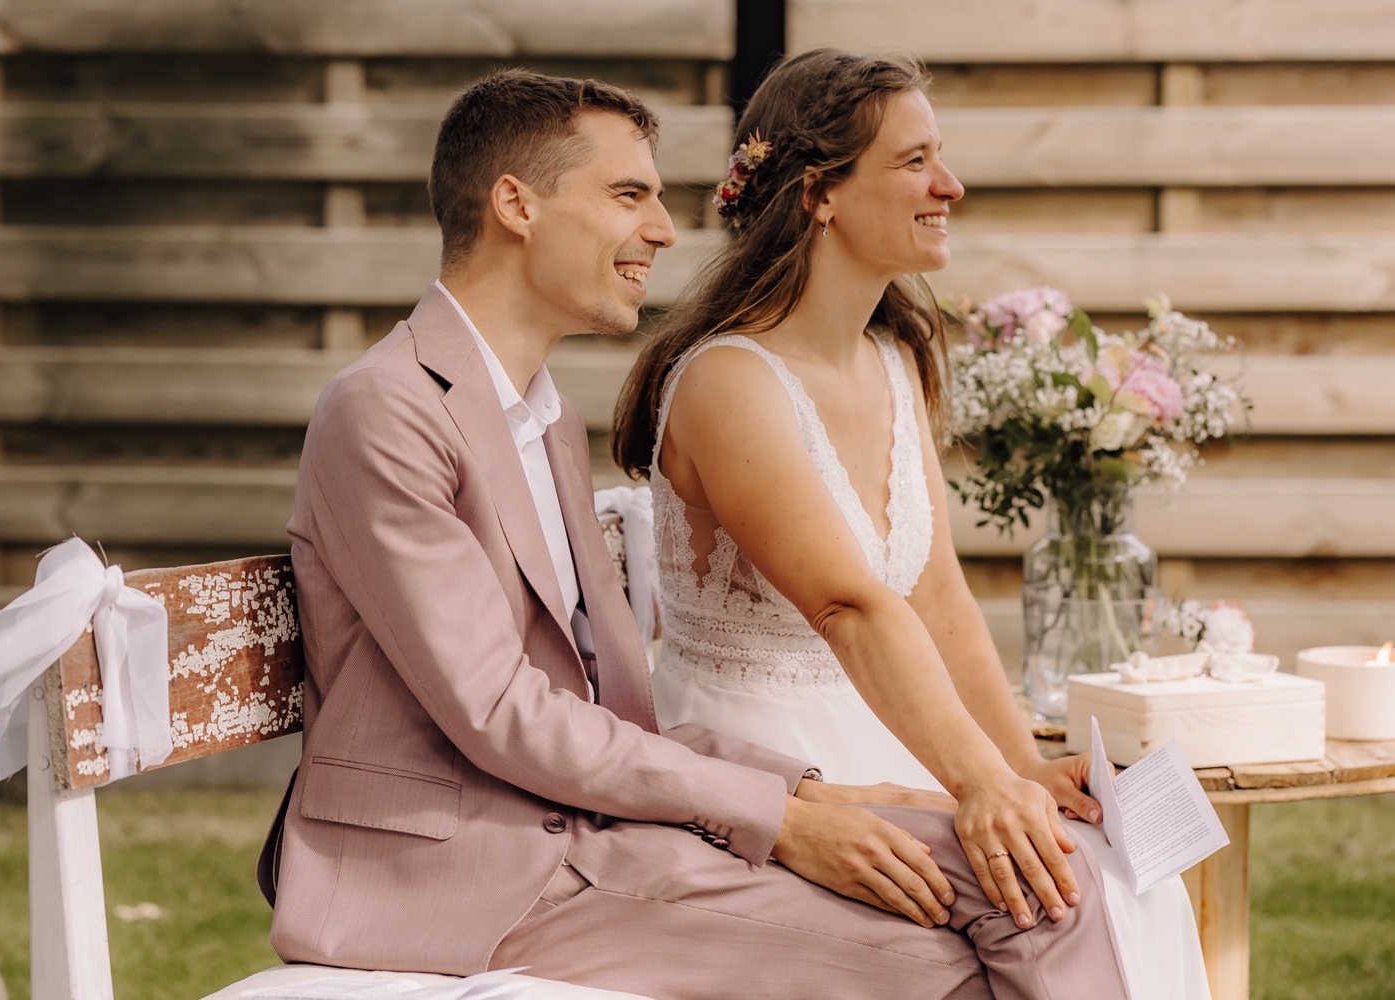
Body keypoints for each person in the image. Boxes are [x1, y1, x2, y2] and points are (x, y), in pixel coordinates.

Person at [260, 67, 1132, 999]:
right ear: (515, 205)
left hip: (596, 826)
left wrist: (807, 794)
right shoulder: (386, 411)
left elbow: (604, 701)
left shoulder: (539, 416)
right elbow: (503, 712)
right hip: (474, 871)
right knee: (948, 961)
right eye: (628, 194)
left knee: (1046, 892)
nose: (666, 230)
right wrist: (782, 818)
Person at [612, 48, 1210, 998]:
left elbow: (934, 595)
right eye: (915, 160)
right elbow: (852, 605)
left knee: (1133, 871)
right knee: (1051, 893)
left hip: (897, 731)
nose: (950, 184)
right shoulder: (729, 382)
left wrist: (1019, 763)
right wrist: (978, 782)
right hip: (777, 763)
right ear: (820, 194)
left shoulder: (893, 359)